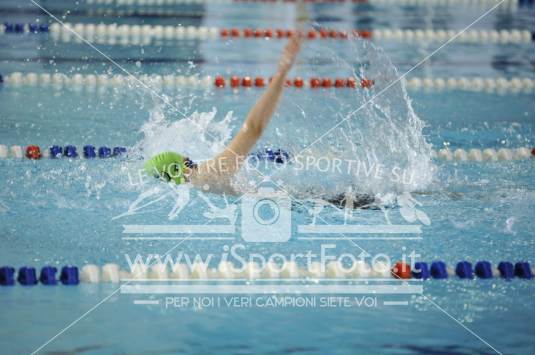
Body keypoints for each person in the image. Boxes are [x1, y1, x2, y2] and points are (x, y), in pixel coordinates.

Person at [144, 35, 303, 194]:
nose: (192, 161)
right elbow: (254, 128)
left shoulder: (198, 186)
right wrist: (282, 72)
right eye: (188, 160)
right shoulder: (208, 173)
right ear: (184, 167)